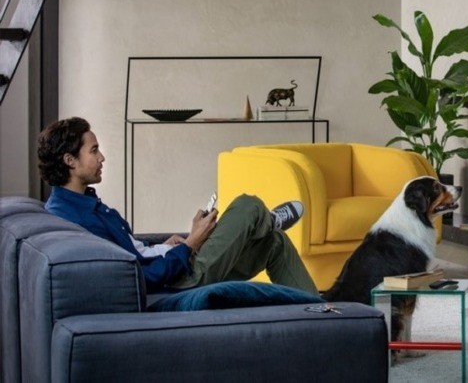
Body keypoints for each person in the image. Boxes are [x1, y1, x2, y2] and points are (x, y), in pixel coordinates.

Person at [38, 117, 317, 294]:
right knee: (248, 206)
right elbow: (137, 277)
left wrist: (167, 245)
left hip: (173, 264)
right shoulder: (74, 220)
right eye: (94, 150)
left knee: (274, 242)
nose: (102, 157)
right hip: (177, 282)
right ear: (69, 161)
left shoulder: (79, 201)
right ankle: (266, 220)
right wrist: (190, 245)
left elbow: (132, 252)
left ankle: (325, 319)